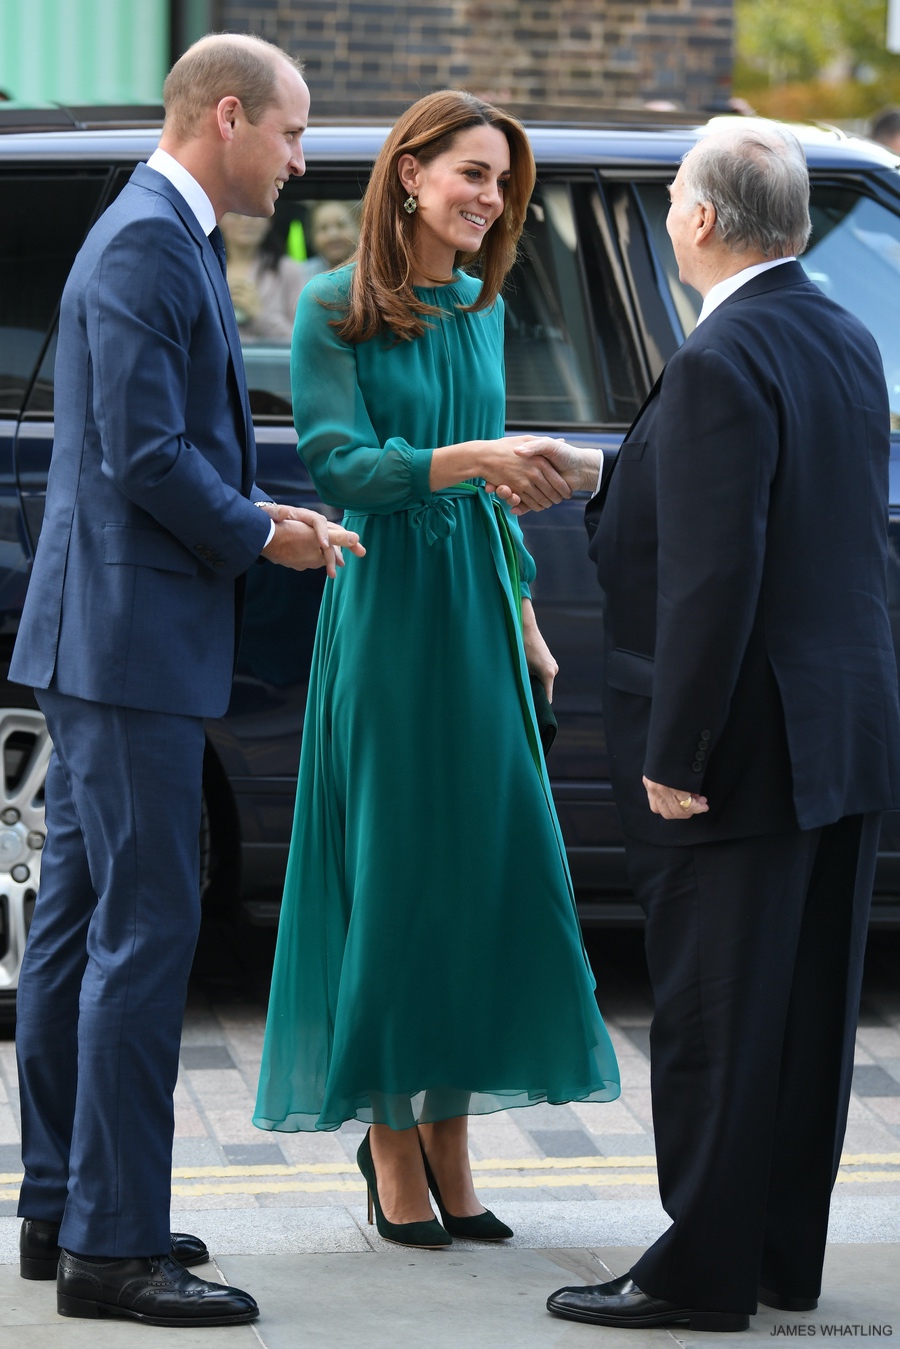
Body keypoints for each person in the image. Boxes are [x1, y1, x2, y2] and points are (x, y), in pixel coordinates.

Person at [10, 32, 364, 1329]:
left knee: (78, 932)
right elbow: (147, 457)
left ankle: (65, 1208)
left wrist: (265, 508)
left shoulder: (157, 234)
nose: (302, 156)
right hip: (128, 647)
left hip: (108, 638)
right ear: (229, 115)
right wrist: (267, 530)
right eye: (293, 131)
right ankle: (114, 1246)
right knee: (145, 935)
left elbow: (157, 449)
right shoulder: (152, 243)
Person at [526, 124, 900, 1331]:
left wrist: (673, 756)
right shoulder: (841, 334)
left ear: (698, 219)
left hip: (738, 746)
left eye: (679, 193)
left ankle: (699, 1273)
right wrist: (615, 472)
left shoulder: (721, 357)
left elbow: (712, 578)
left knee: (715, 1014)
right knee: (800, 1014)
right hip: (838, 728)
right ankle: (780, 1252)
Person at [253, 89, 620, 1248]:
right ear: (408, 174)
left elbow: (501, 498)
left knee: (481, 875)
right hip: (391, 618)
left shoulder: (482, 306)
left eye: (503, 181)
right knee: (400, 877)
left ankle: (453, 1137)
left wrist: (526, 615)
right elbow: (340, 467)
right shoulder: (332, 309)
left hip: (476, 613)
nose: (491, 198)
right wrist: (467, 459)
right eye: (472, 172)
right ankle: (392, 1137)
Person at [219, 210, 306, 341]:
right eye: (236, 214)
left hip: (271, 360)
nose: (246, 221)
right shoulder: (204, 267)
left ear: (269, 221)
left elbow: (301, 341)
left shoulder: (288, 270)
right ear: (219, 219)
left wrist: (259, 315)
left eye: (255, 215)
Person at [296, 198, 360, 288]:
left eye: (340, 225)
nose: (333, 235)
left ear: (358, 228)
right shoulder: (303, 275)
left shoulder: (371, 270)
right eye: (323, 228)